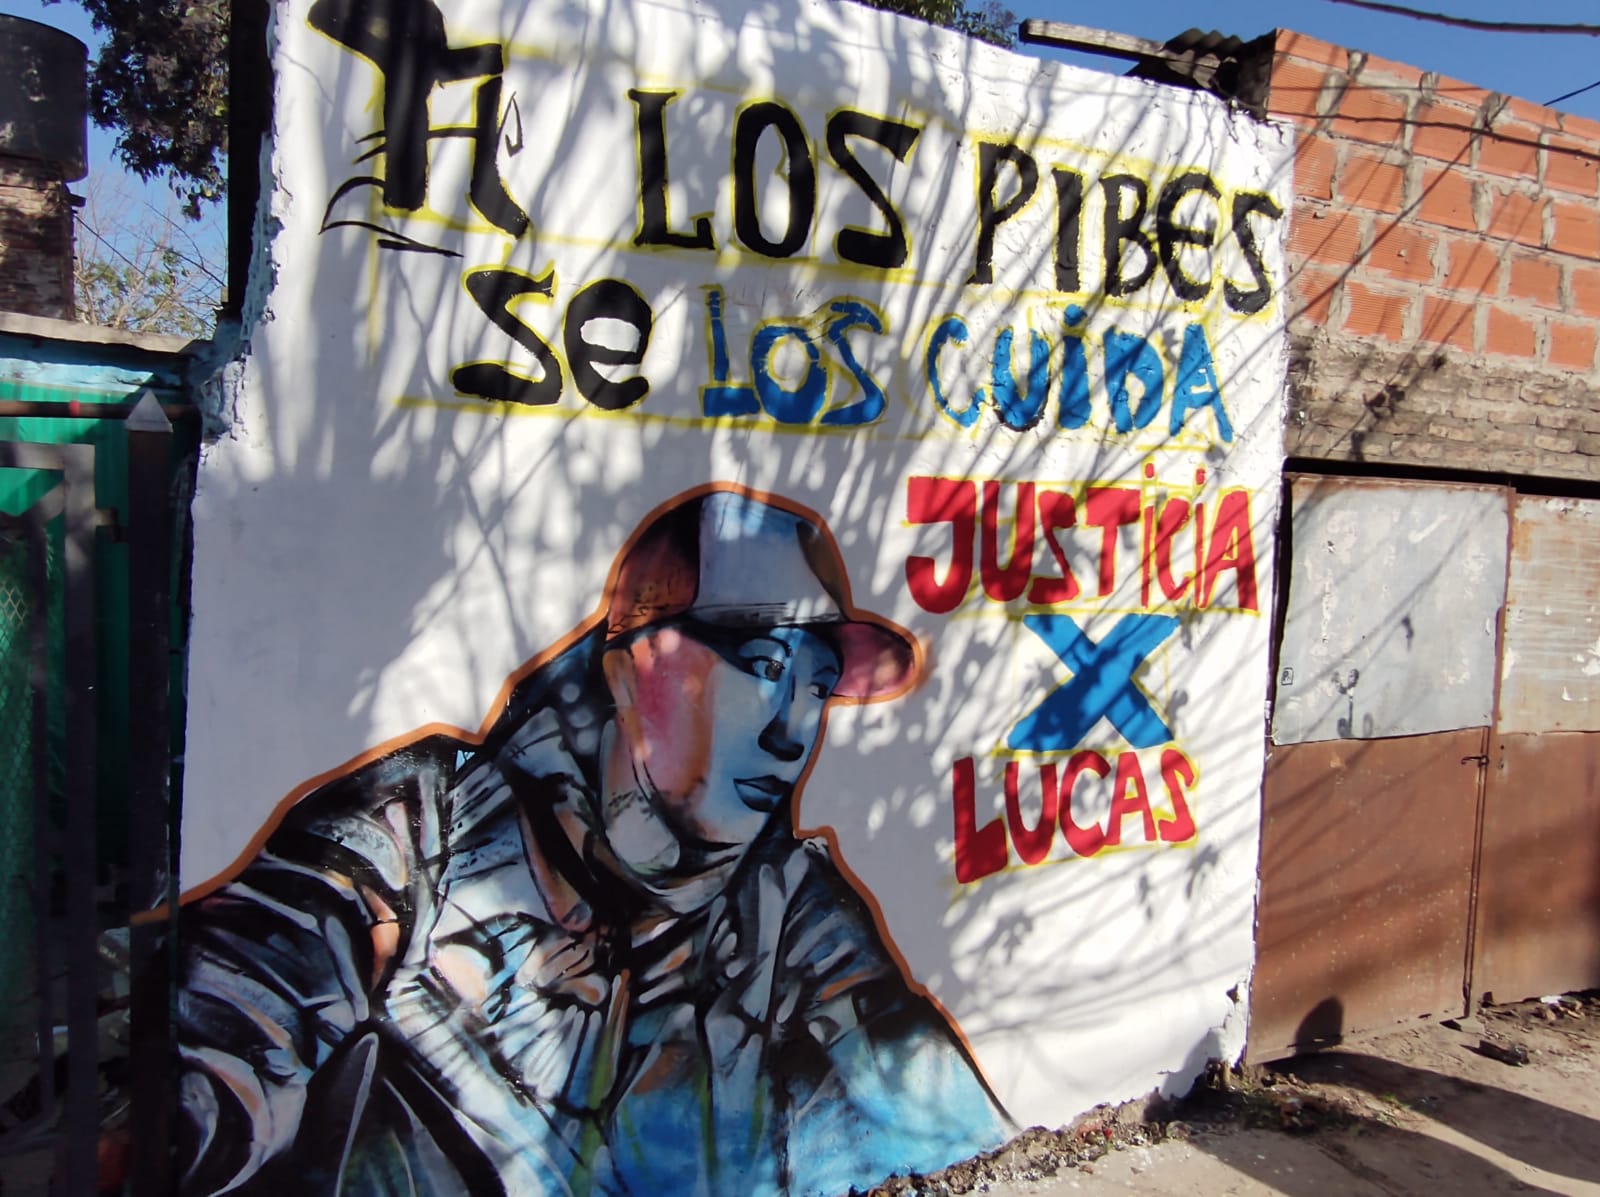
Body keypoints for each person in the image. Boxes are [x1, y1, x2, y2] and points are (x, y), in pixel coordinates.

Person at [175, 486, 1010, 1197]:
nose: (794, 732)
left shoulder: (788, 914)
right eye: (762, 666)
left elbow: (940, 1124)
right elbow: (222, 1045)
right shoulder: (429, 828)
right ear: (627, 667)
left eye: (817, 687)